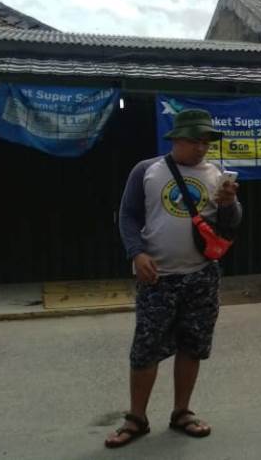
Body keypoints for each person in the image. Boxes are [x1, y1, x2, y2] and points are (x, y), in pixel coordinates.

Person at [105, 108, 242, 449]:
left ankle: (182, 412)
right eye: (195, 140)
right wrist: (136, 253)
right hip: (158, 279)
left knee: (192, 345)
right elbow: (128, 215)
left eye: (206, 141)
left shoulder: (217, 175)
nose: (202, 147)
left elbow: (231, 224)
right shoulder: (147, 171)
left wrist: (230, 203)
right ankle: (136, 418)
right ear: (177, 139)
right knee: (145, 351)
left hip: (201, 277)